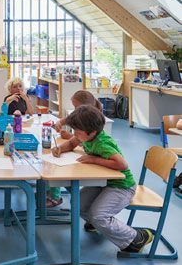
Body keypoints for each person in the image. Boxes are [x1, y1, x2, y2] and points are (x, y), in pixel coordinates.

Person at [51, 105, 153, 253]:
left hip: (121, 186)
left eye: (77, 132)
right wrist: (60, 149)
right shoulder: (84, 136)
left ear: (91, 133)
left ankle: (136, 237)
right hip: (102, 183)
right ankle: (96, 224)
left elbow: (122, 164)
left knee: (98, 216)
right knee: (77, 203)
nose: (75, 134)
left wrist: (93, 159)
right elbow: (72, 142)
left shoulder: (103, 144)